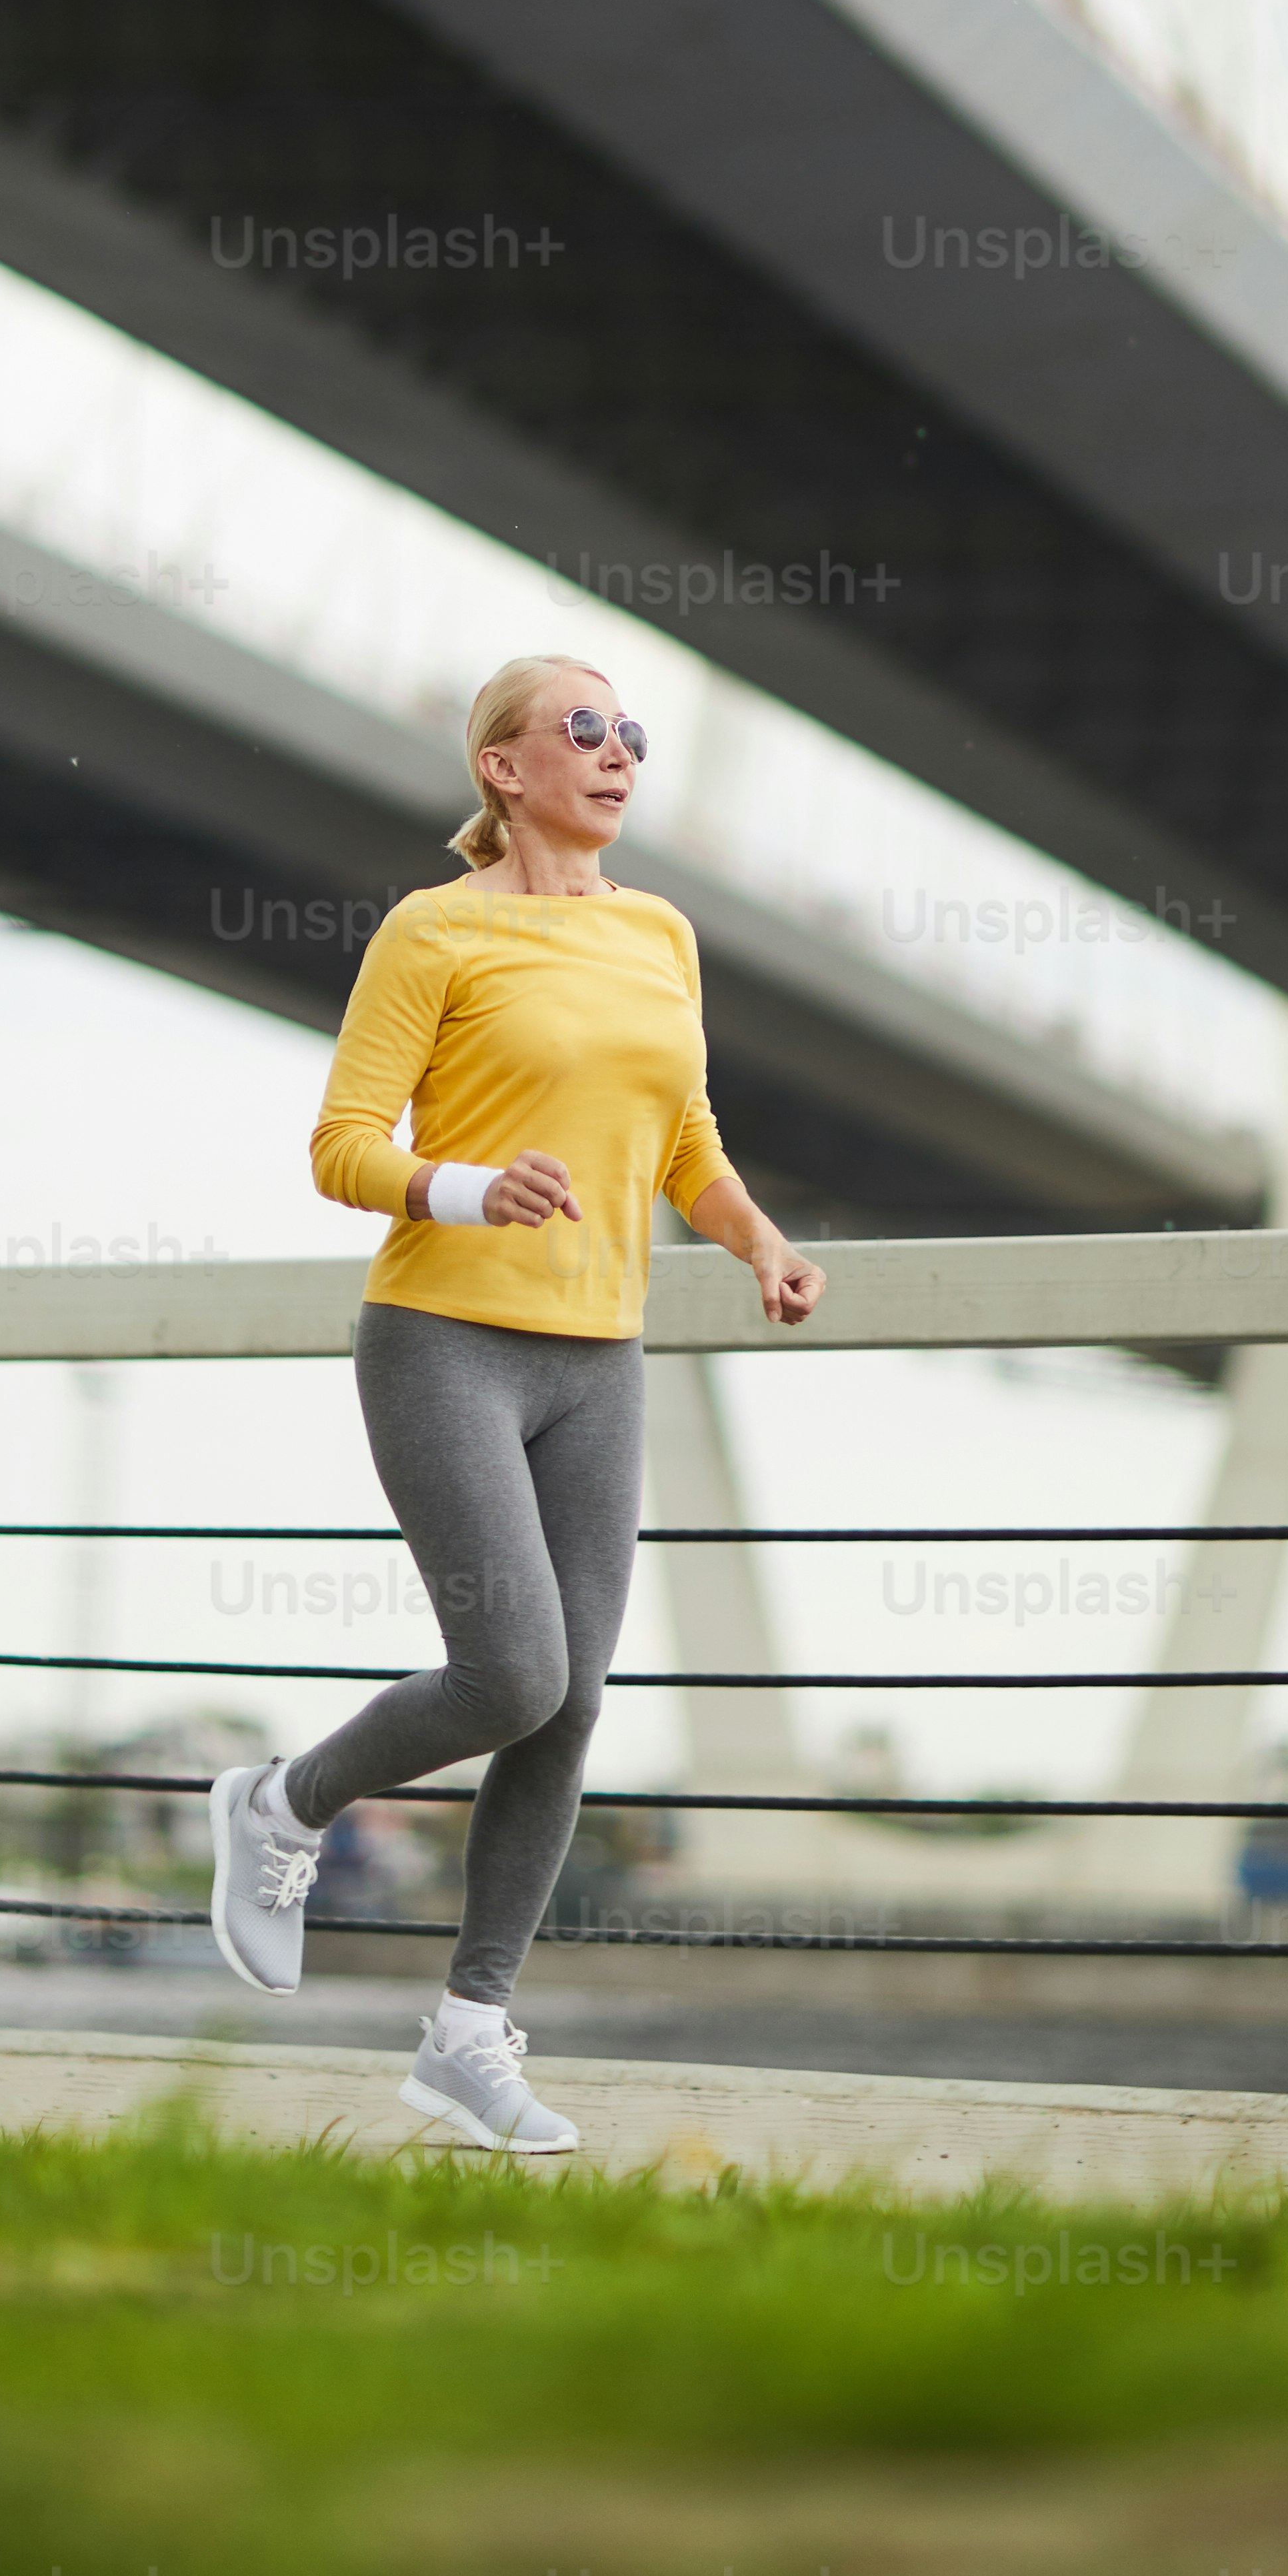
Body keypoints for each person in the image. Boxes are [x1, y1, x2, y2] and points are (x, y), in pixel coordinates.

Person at [206, 654, 824, 2150]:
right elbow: (341, 1143)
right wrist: (471, 1186)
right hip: (445, 1339)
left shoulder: (660, 934)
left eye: (634, 737)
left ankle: (465, 2037)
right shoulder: (437, 932)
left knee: (571, 1708)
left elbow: (682, 1136)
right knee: (510, 1675)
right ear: (501, 765)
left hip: (597, 1358)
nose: (619, 757)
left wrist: (755, 1236)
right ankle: (284, 1802)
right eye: (585, 731)